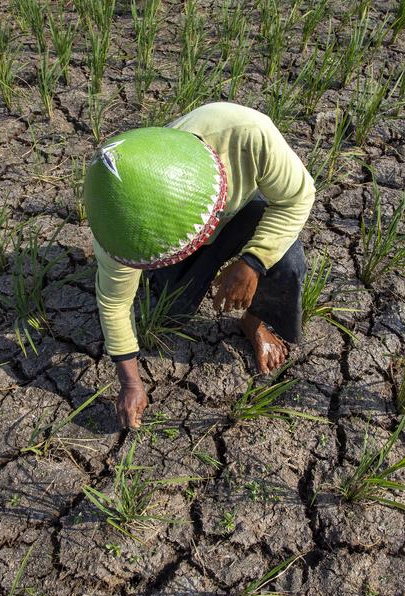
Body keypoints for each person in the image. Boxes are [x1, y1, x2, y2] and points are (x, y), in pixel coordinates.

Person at [84, 102, 316, 429]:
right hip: (164, 227)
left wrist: (252, 262)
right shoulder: (117, 225)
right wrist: (130, 383)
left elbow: (298, 197)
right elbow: (114, 302)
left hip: (245, 212)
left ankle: (254, 322)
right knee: (174, 311)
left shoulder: (248, 135)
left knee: (287, 260)